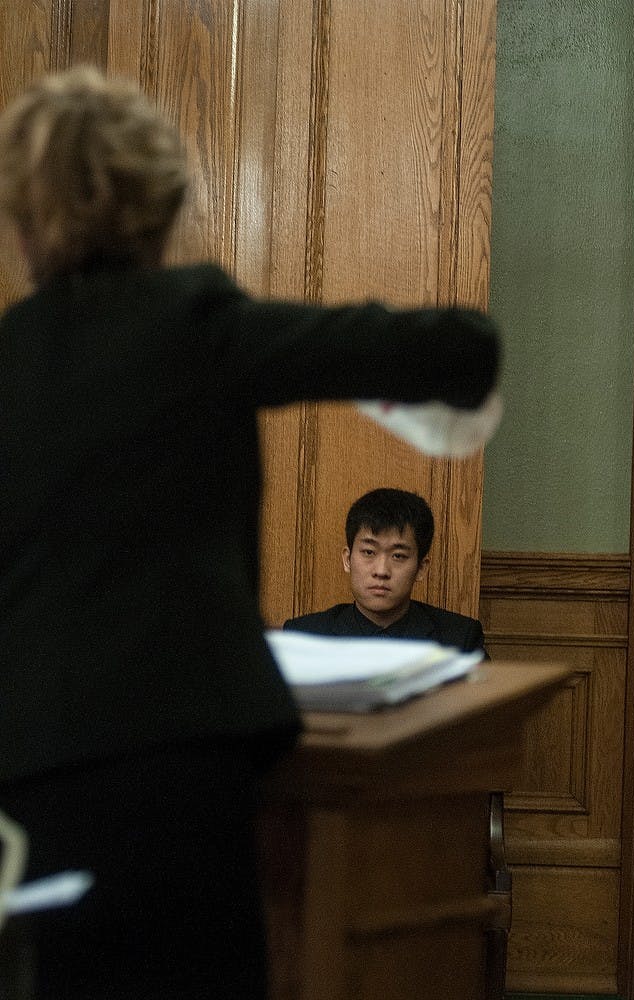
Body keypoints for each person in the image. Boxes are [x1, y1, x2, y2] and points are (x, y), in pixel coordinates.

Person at [0, 66, 500, 1000]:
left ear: (25, 219)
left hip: (29, 768)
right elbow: (454, 348)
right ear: (167, 205)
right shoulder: (198, 325)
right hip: (183, 764)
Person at [284, 488, 488, 655]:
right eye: (369, 552)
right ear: (347, 560)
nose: (381, 571)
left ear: (421, 568)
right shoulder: (303, 637)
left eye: (398, 556)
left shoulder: (460, 640)